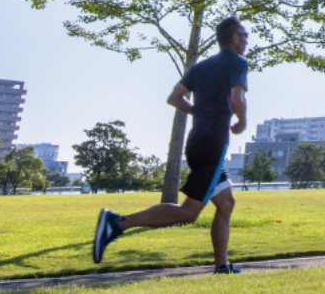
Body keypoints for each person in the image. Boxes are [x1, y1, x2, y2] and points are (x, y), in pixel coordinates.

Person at [92, 16, 250, 273]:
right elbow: (237, 97)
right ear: (234, 38)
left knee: (226, 202)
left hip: (197, 140)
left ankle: (222, 266)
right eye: (244, 36)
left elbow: (175, 98)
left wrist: (199, 113)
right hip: (213, 143)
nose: (246, 42)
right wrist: (241, 121)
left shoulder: (201, 67)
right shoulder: (238, 62)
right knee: (189, 212)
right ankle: (117, 223)